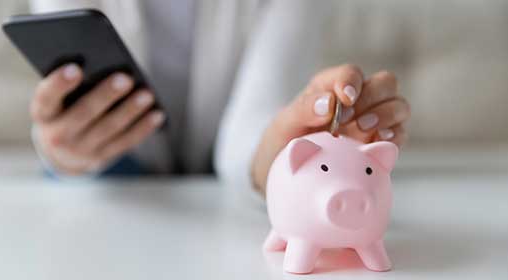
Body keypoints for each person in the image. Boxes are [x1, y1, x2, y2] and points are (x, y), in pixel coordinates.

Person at [29, 0, 410, 197]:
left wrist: (278, 156)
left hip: (232, 176)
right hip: (112, 175)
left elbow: (258, 115)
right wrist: (60, 151)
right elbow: (65, 96)